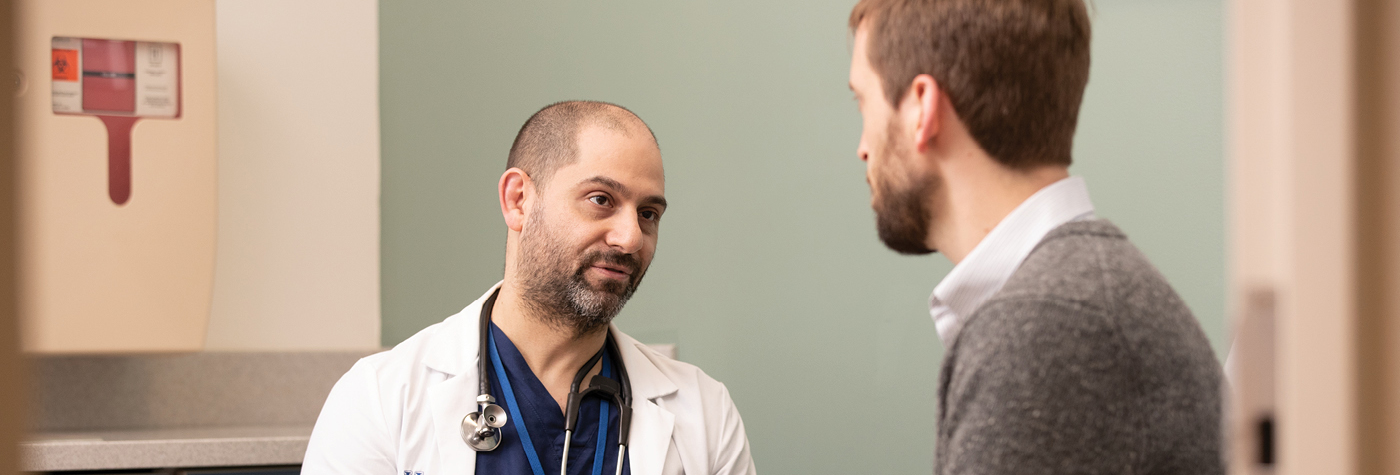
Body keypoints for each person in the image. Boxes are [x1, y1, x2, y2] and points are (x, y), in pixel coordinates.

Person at [845, 0, 1223, 473]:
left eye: (862, 101)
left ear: (922, 106)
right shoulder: (1084, 298)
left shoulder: (1044, 326)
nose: (862, 148)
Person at [302, 101, 756, 475]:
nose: (631, 237)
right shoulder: (379, 401)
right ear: (519, 200)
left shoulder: (706, 413)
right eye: (602, 200)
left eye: (648, 213)